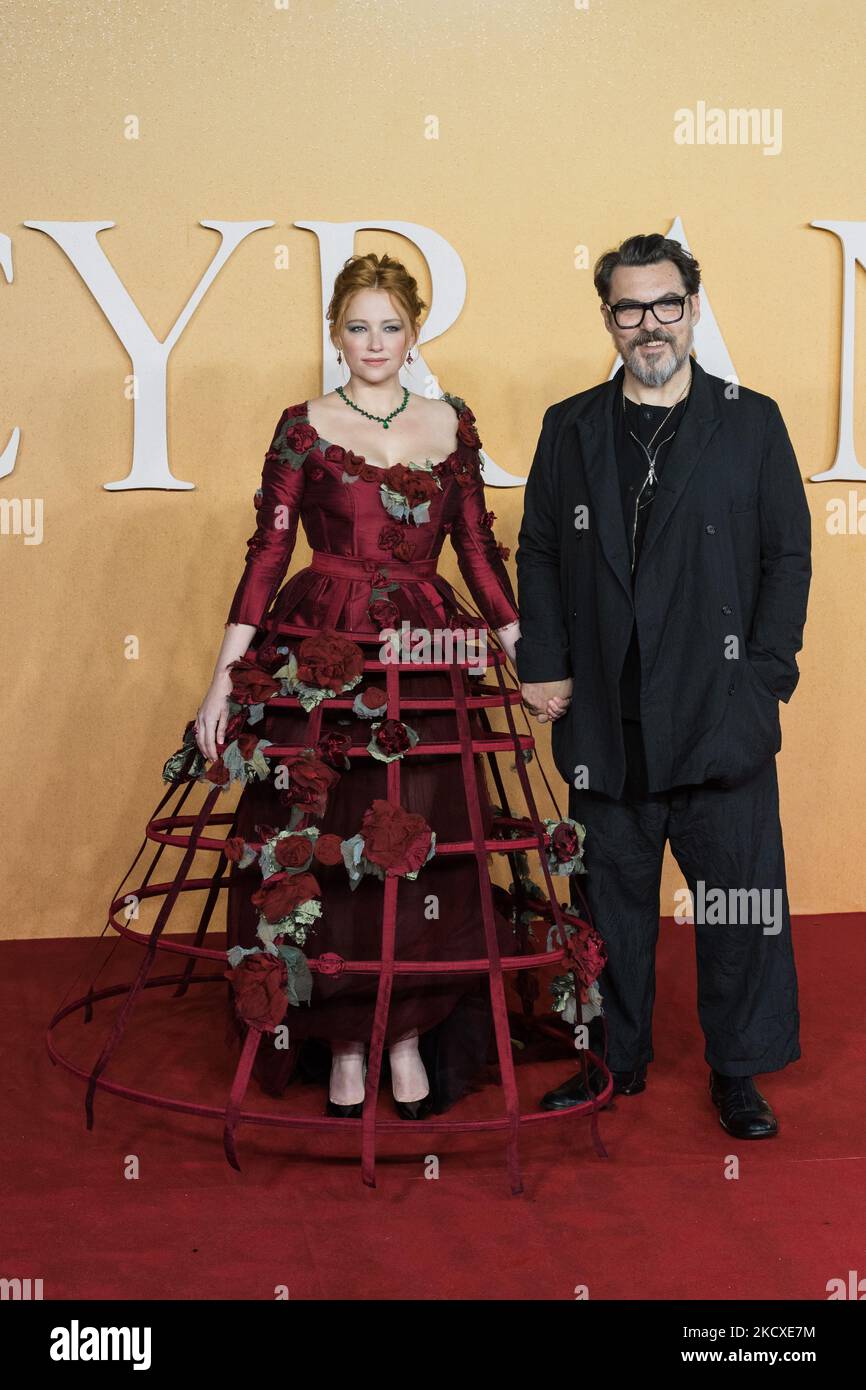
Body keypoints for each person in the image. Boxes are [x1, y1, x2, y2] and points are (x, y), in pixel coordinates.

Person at [193, 251, 524, 1119]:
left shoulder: (451, 423)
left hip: (422, 654)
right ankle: (343, 1042)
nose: (373, 341)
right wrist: (224, 681)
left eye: (390, 325)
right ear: (335, 334)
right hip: (322, 646)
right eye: (356, 326)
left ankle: (407, 1034)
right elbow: (267, 555)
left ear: (415, 334)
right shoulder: (302, 425)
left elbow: (480, 550)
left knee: (421, 834)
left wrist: (523, 647)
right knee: (326, 834)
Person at [515, 233, 811, 1138]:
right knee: (611, 906)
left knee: (737, 900)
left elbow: (786, 556)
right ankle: (616, 1061)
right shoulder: (570, 424)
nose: (650, 324)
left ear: (693, 306)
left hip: (720, 711)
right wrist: (545, 664)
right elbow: (536, 548)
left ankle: (737, 1072)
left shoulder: (750, 419)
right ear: (608, 318)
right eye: (630, 308)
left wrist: (763, 679)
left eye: (667, 304)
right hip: (609, 712)